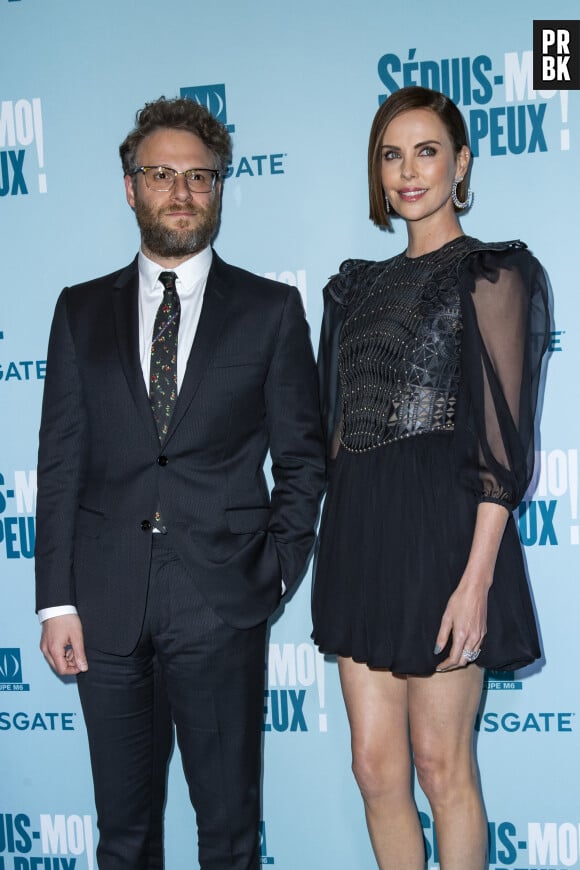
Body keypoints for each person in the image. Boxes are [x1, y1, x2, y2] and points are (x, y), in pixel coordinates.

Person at [35, 96, 325, 870]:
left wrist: (272, 575)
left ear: (221, 189)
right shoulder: (78, 311)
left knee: (228, 835)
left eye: (201, 177)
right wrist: (56, 600)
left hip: (221, 602)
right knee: (123, 836)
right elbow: (61, 462)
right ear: (129, 187)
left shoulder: (270, 311)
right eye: (162, 173)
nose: (183, 191)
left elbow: (303, 460)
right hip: (103, 604)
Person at [312, 86, 550, 870]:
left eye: (426, 151)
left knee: (441, 764)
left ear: (461, 163)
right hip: (361, 535)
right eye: (391, 154)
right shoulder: (352, 288)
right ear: (377, 174)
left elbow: (502, 443)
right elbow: (337, 432)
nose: (408, 171)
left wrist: (477, 578)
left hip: (448, 537)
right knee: (375, 768)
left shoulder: (494, 275)